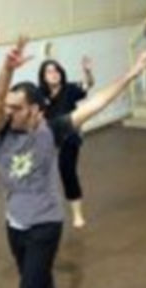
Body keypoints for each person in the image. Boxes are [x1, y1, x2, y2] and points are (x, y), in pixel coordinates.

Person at [0, 37, 146, 288]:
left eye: (17, 107)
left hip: (45, 223)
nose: (9, 112)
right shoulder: (0, 134)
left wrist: (133, 73)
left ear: (36, 110)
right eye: (8, 107)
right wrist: (6, 68)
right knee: (38, 286)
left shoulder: (52, 130)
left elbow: (97, 103)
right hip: (14, 224)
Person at [38, 56, 95, 228]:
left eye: (56, 71)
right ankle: (43, 210)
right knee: (42, 173)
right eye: (49, 71)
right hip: (47, 137)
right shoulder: (40, 94)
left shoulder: (70, 89)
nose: (54, 74)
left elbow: (88, 85)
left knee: (67, 170)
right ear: (43, 76)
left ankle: (77, 214)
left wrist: (87, 72)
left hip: (69, 136)